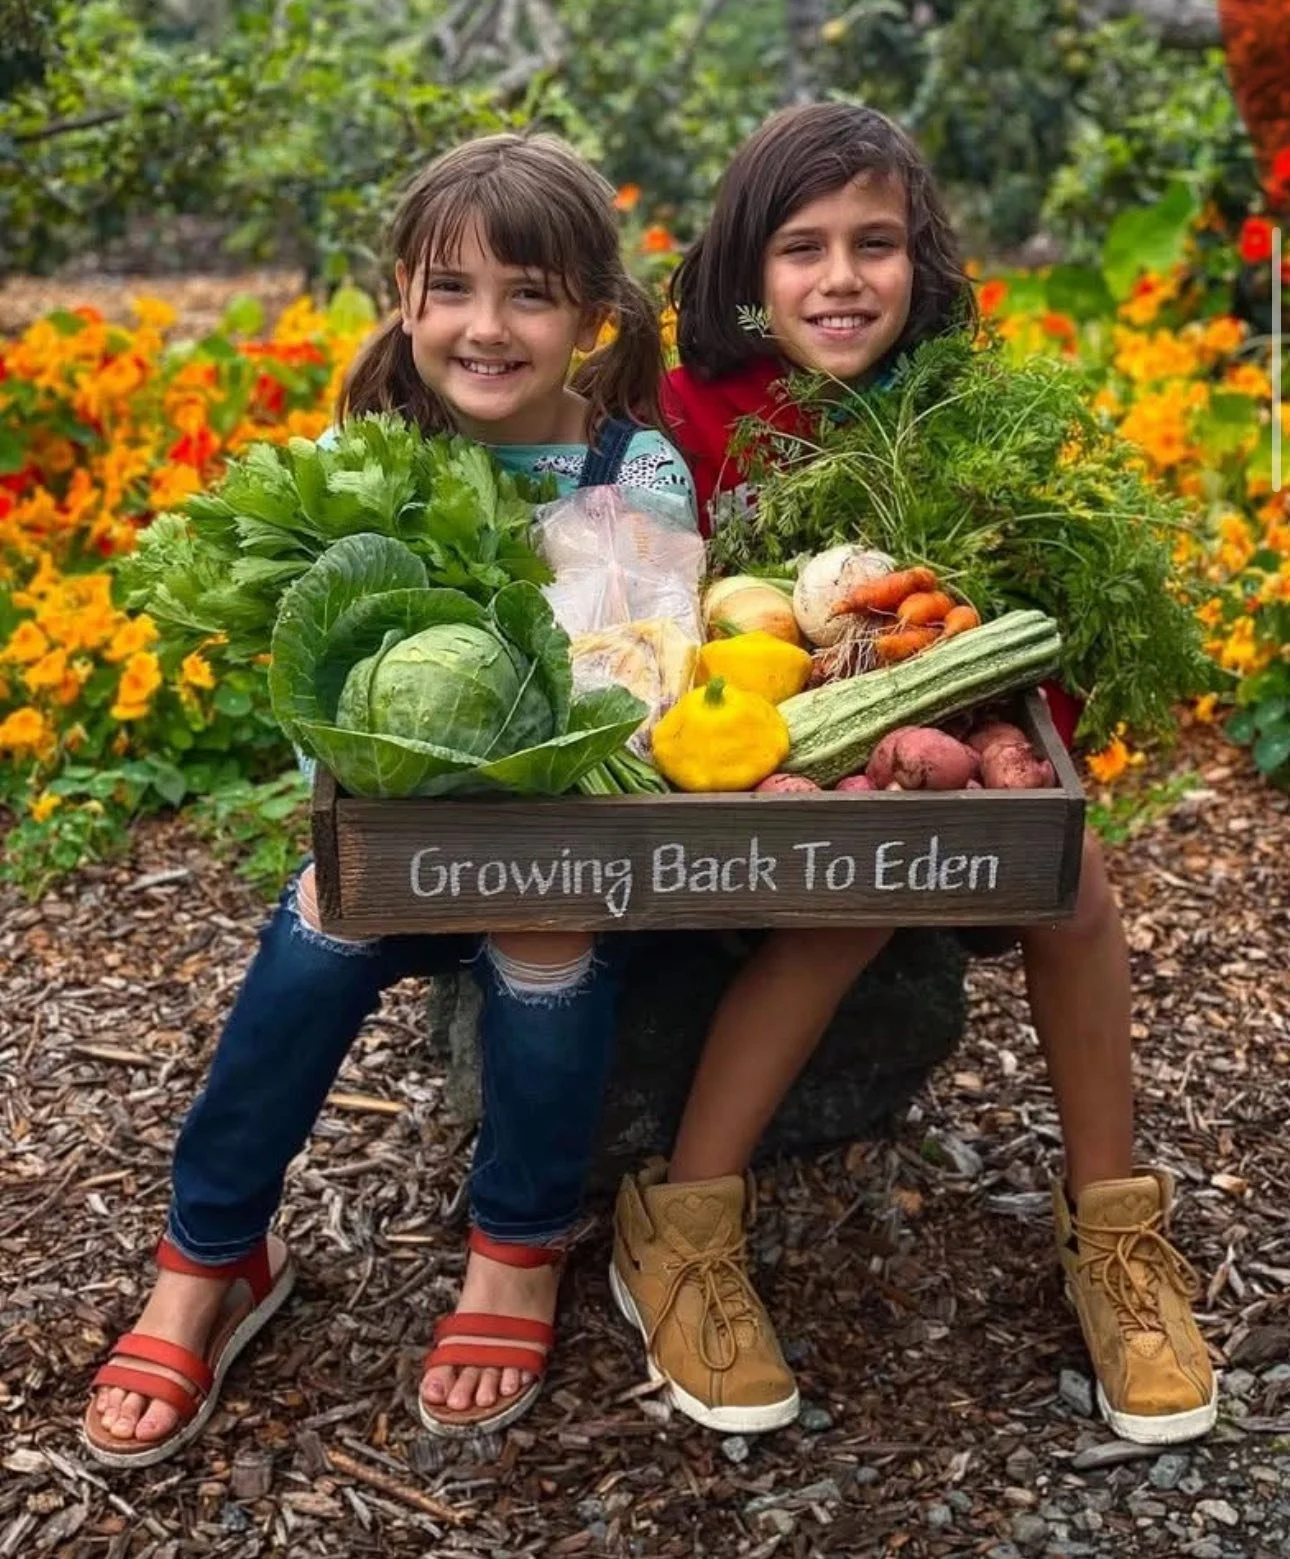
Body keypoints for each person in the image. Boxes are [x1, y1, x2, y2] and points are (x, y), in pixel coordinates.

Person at [610, 102, 1217, 1448]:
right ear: (743, 277)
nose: (839, 279)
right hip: (744, 762)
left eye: (873, 244)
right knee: (865, 870)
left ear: (918, 257)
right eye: (801, 249)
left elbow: (1020, 639)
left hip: (926, 736)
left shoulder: (964, 406)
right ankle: (684, 1220)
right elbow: (663, 609)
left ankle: (1114, 1227)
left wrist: (981, 719)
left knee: (1073, 871)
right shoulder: (697, 412)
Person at [84, 132, 697, 1465]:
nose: (486, 326)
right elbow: (311, 686)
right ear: (405, 298)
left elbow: (634, 684)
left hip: (556, 842)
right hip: (393, 833)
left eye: (529, 294)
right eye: (452, 288)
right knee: (321, 920)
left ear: (590, 314)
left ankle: (516, 1252)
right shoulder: (355, 455)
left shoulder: (628, 474)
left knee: (544, 932)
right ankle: (210, 1254)